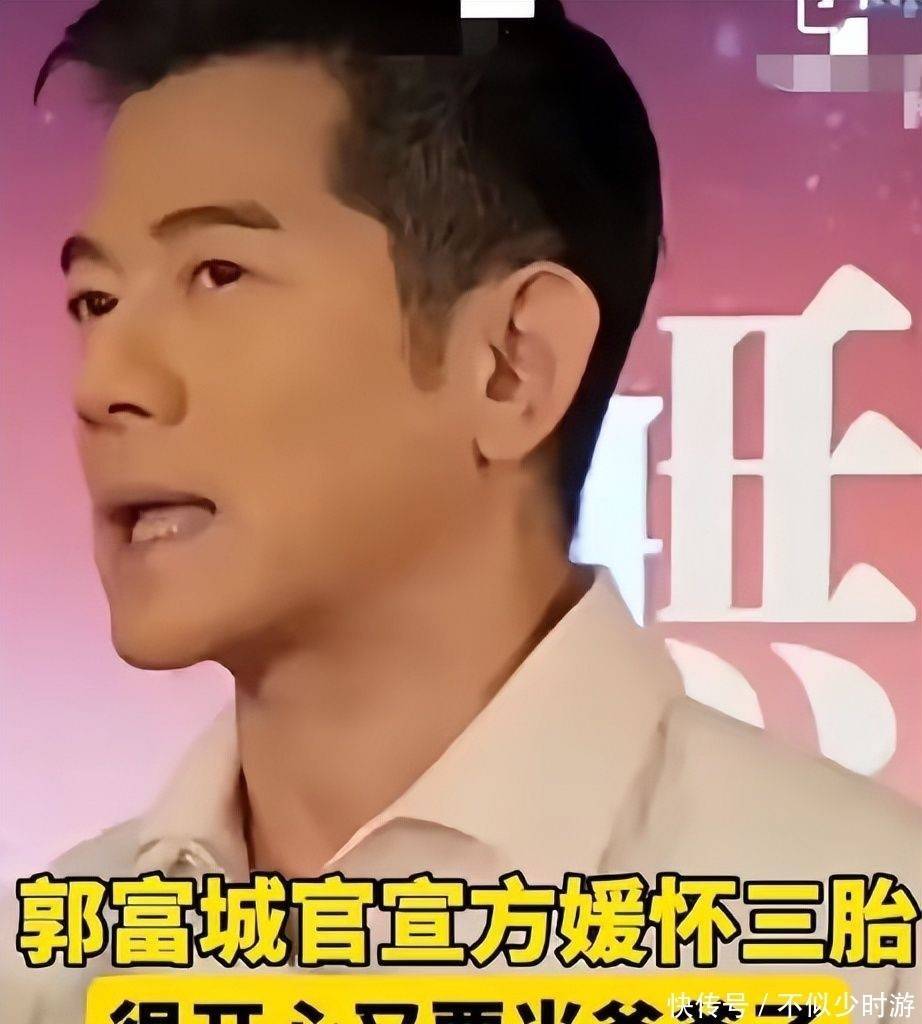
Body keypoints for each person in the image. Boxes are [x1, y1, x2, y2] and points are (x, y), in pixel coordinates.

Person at [3, 0, 921, 1020]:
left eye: (217, 275)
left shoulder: (861, 941)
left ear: (511, 364)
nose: (104, 384)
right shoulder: (46, 973)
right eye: (95, 301)